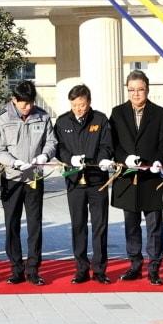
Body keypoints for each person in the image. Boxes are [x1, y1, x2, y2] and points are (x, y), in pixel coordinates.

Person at [110, 70, 163, 284]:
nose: (136, 94)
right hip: (128, 178)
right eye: (132, 90)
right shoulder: (117, 113)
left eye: (140, 89)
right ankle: (134, 265)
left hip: (151, 179)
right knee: (131, 225)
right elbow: (112, 143)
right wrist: (124, 158)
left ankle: (154, 268)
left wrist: (158, 161)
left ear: (147, 89)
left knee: (154, 226)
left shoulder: (159, 113)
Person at [0, 79, 56, 285]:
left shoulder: (42, 116)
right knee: (12, 224)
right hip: (12, 177)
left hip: (34, 178)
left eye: (30, 103)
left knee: (34, 225)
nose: (27, 107)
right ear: (14, 99)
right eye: (23, 103)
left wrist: (44, 156)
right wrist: (14, 163)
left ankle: (33, 269)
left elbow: (51, 142)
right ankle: (16, 269)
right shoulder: (1, 118)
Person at [54, 83, 115, 284]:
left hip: (97, 180)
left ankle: (99, 270)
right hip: (75, 181)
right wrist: (69, 158)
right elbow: (58, 147)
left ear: (89, 102)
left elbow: (107, 145)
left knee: (100, 225)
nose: (78, 109)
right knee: (78, 225)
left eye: (82, 104)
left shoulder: (100, 119)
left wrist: (102, 159)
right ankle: (81, 269)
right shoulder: (62, 121)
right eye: (74, 105)